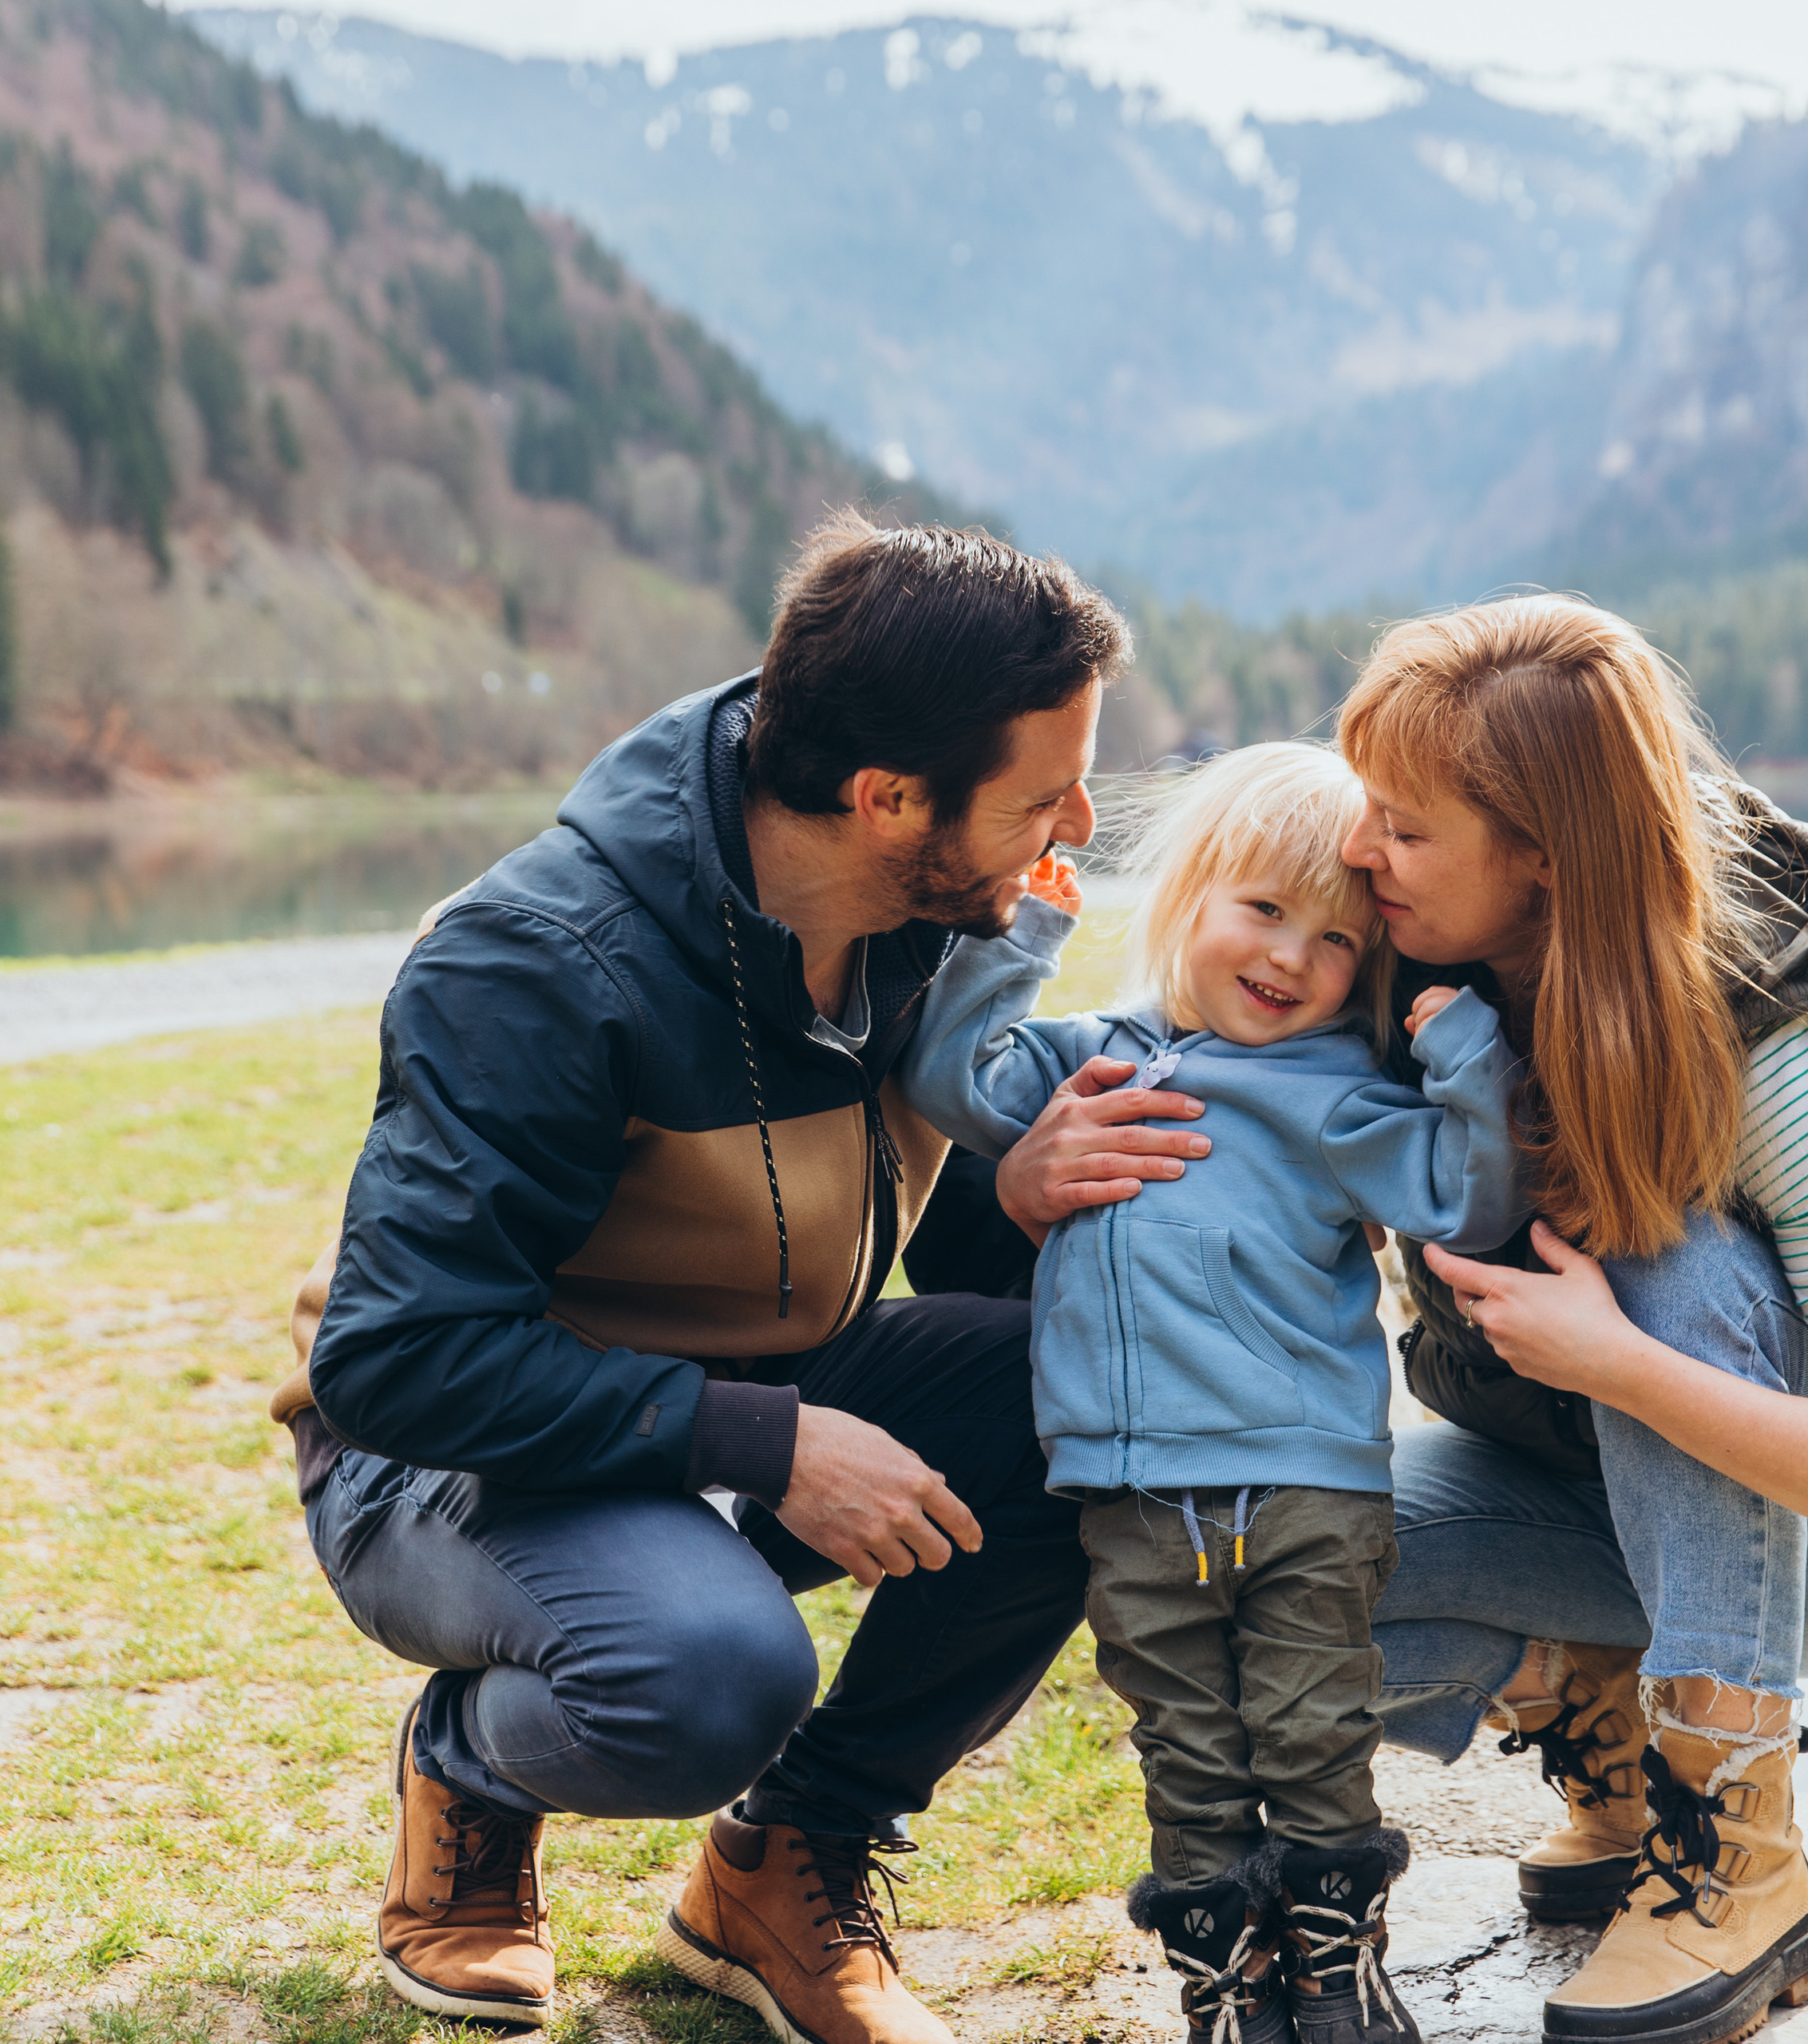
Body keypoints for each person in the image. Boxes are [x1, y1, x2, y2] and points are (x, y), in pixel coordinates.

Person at [933, 596, 1808, 2044]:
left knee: (1662, 1256)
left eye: (1405, 827)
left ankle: (1738, 1867)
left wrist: (1621, 1362)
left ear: (1543, 859)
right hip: (1575, 1497)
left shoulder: (1763, 1027)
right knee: (1279, 1592)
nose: (1361, 853)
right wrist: (1046, 1168)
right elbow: (1195, 1073)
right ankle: (1604, 1727)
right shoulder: (1397, 975)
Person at [267, 513, 1128, 2040]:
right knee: (709, 1679)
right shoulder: (538, 963)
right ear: (887, 799)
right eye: (1043, 801)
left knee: (1100, 1388)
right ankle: (468, 1774)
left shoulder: (923, 920)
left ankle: (788, 1861)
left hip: (742, 1392)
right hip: (445, 1458)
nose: (1068, 841)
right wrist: (773, 1443)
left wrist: (1044, 1187)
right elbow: (396, 1359)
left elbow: (957, 1265)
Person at [900, 743, 1531, 2044]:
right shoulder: (1088, 1066)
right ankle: (1226, 1981)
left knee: (1311, 1734)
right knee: (1187, 1747)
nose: (1293, 957)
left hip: (1308, 1486)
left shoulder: (1342, 1098)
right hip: (1131, 1492)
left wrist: (1466, 1052)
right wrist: (1022, 932)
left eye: (1339, 941)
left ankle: (1335, 1963)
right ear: (1188, 895)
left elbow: (1465, 1196)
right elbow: (947, 1081)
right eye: (1263, 909)